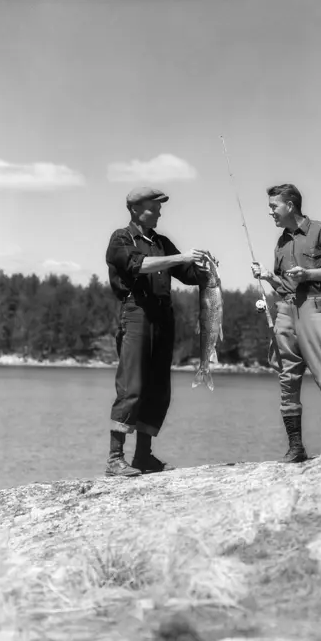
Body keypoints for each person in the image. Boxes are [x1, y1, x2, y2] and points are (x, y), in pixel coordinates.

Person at [252, 183, 321, 463]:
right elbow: (284, 285)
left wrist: (309, 272)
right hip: (286, 309)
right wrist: (268, 277)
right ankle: (296, 448)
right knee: (287, 379)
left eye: (273, 207)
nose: (271, 213)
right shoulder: (281, 242)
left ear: (290, 205)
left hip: (316, 305)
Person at [105, 186, 210, 477]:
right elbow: (137, 265)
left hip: (163, 316)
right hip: (136, 312)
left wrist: (205, 268)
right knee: (132, 386)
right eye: (155, 206)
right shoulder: (121, 238)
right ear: (136, 209)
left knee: (158, 389)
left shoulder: (161, 241)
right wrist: (181, 258)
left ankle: (143, 457)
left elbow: (188, 275)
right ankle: (115, 459)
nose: (161, 211)